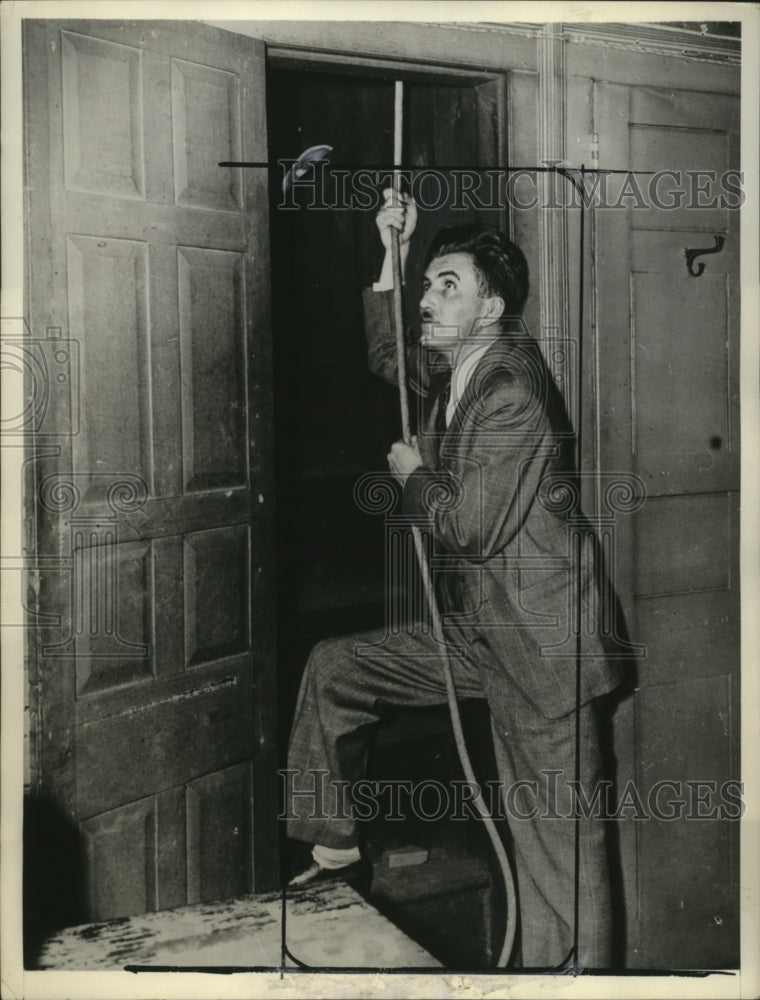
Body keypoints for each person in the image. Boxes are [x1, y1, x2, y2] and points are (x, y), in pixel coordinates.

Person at [283, 190, 625, 968]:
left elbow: (470, 526)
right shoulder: (462, 366)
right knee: (337, 668)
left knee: (558, 863)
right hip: (485, 631)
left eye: (448, 286)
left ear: (493, 305)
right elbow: (386, 360)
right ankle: (335, 852)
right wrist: (391, 252)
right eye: (429, 284)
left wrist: (411, 475)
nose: (429, 301)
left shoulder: (512, 394)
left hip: (544, 655)